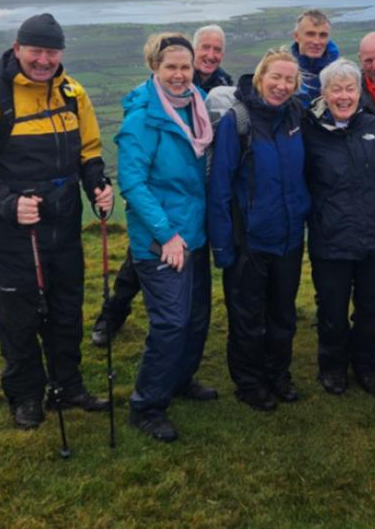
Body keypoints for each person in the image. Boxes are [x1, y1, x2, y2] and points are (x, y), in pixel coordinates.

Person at [0, 13, 113, 430]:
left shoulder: (73, 93)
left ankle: (68, 386)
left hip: (63, 229)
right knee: (18, 319)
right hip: (12, 237)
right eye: (36, 51)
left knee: (66, 312)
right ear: (18, 48)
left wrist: (97, 182)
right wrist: (7, 204)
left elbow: (89, 149)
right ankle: (26, 397)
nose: (43, 60)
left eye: (51, 51)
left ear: (61, 52)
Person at [90, 24, 231, 348]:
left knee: (186, 296)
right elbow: (135, 174)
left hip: (193, 210)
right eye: (205, 48)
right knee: (137, 270)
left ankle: (180, 364)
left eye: (217, 50)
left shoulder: (217, 89)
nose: (211, 55)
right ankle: (110, 319)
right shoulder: (153, 100)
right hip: (162, 214)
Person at [115, 32, 216, 442]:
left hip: (195, 233)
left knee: (195, 318)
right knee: (171, 322)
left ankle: (179, 380)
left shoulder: (199, 108)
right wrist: (167, 235)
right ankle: (147, 405)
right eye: (170, 67)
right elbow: (133, 184)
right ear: (154, 68)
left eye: (185, 67)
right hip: (162, 240)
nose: (179, 75)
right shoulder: (142, 118)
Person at [208, 49, 311, 412]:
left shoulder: (296, 115)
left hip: (288, 238)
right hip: (249, 242)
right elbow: (220, 188)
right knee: (247, 318)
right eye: (276, 78)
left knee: (283, 314)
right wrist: (222, 248)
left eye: (289, 80)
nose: (282, 86)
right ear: (260, 77)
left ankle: (278, 375)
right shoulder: (238, 121)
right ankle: (249, 384)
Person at [303, 59, 375, 398]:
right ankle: (332, 367)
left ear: (359, 91)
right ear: (324, 93)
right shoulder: (309, 132)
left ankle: (369, 367)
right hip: (331, 240)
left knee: (373, 311)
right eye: (336, 89)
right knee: (332, 311)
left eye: (350, 88)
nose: (344, 96)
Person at [291, 9, 340, 103]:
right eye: (310, 34)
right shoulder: (285, 73)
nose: (316, 41)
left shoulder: (340, 74)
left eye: (323, 35)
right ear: (296, 36)